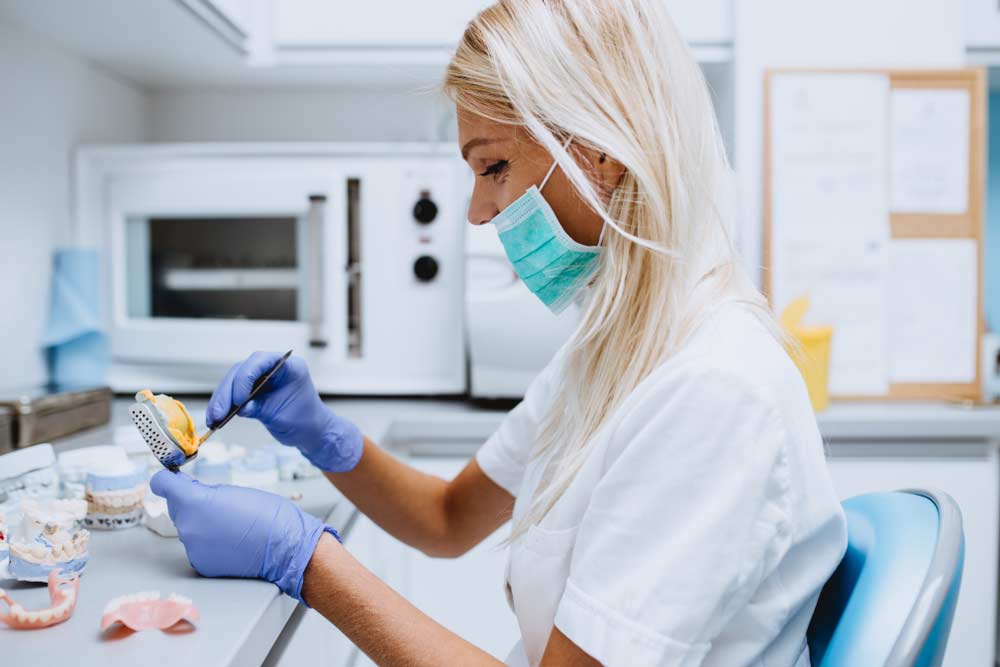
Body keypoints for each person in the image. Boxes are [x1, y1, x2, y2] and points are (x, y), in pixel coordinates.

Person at [150, 1, 847, 665]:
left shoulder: (713, 390)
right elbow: (448, 517)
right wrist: (322, 433)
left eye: (494, 167)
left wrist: (303, 561)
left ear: (603, 150)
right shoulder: (620, 347)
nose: (479, 212)